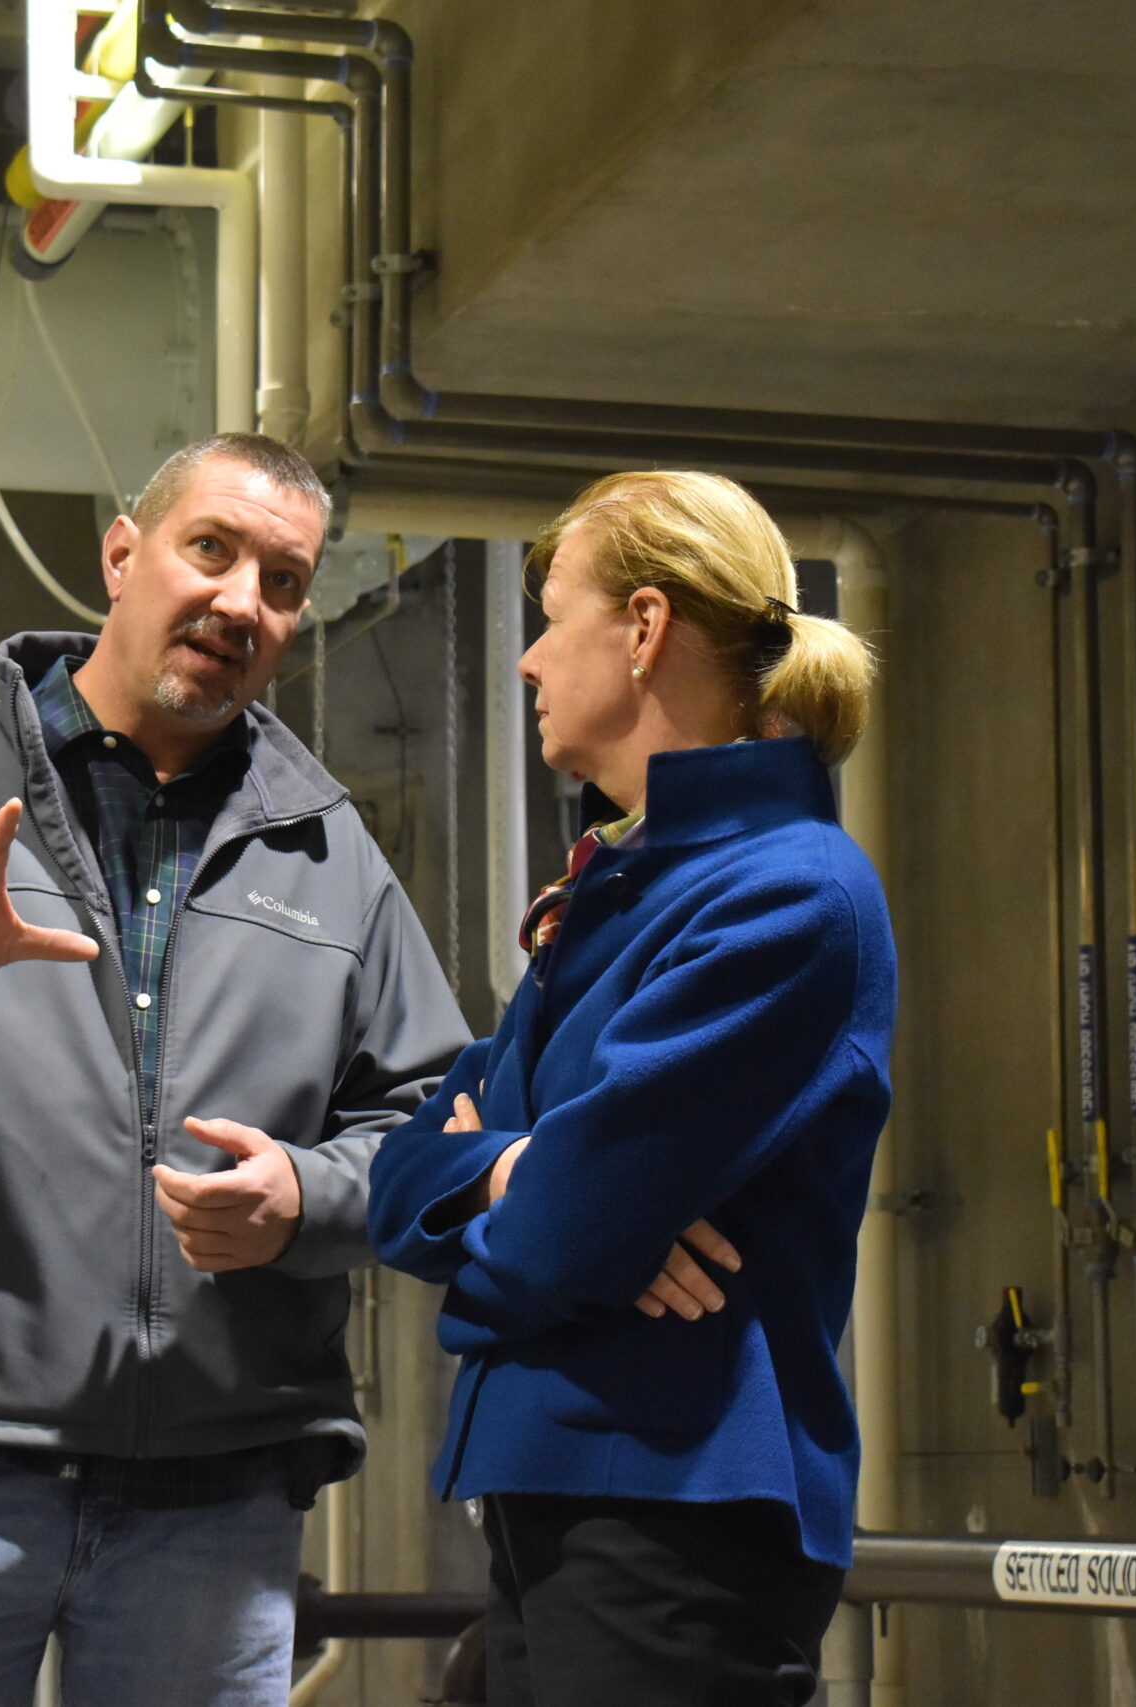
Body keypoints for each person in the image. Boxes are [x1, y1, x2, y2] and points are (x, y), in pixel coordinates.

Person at [0, 433, 474, 1707]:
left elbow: (434, 1130)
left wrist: (306, 1202)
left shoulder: (331, 854)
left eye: (280, 580)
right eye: (208, 550)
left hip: (215, 1496)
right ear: (121, 555)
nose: (238, 602)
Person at [367, 470, 896, 1707]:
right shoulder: (624, 883)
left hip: (676, 1511)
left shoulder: (785, 892)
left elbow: (558, 1237)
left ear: (645, 628)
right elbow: (409, 1177)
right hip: (562, 1495)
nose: (528, 660)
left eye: (552, 617)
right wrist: (511, 1166)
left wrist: (546, 1195)